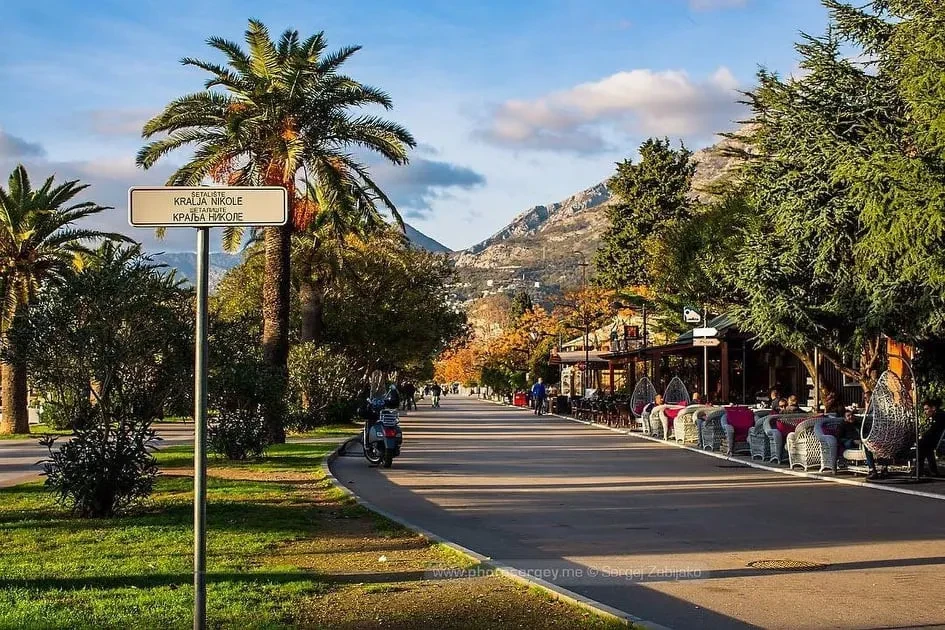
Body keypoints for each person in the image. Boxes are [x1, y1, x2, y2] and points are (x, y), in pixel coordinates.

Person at [838, 408, 877, 478]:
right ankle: (872, 469)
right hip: (849, 442)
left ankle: (878, 467)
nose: (851, 417)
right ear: (845, 418)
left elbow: (865, 432)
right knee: (863, 446)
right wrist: (853, 441)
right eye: (848, 416)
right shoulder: (842, 425)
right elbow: (839, 439)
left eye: (852, 415)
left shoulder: (858, 423)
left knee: (868, 444)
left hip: (861, 441)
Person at [918, 398, 945, 477]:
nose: (925, 412)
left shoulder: (940, 416)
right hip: (936, 439)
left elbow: (934, 430)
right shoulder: (938, 415)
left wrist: (923, 436)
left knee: (922, 445)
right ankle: (933, 470)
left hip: (939, 440)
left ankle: (920, 470)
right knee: (926, 447)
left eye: (927, 409)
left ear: (933, 408)